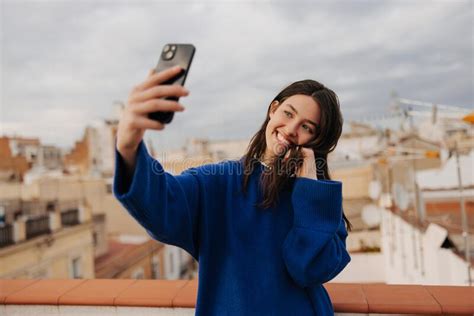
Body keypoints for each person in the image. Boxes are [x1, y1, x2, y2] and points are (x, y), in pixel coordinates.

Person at [114, 65, 352, 315]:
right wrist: (128, 147)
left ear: (316, 141)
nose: (292, 129)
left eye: (307, 127)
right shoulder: (219, 183)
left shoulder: (319, 199)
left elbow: (311, 269)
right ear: (273, 109)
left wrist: (309, 190)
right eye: (288, 114)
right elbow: (162, 205)